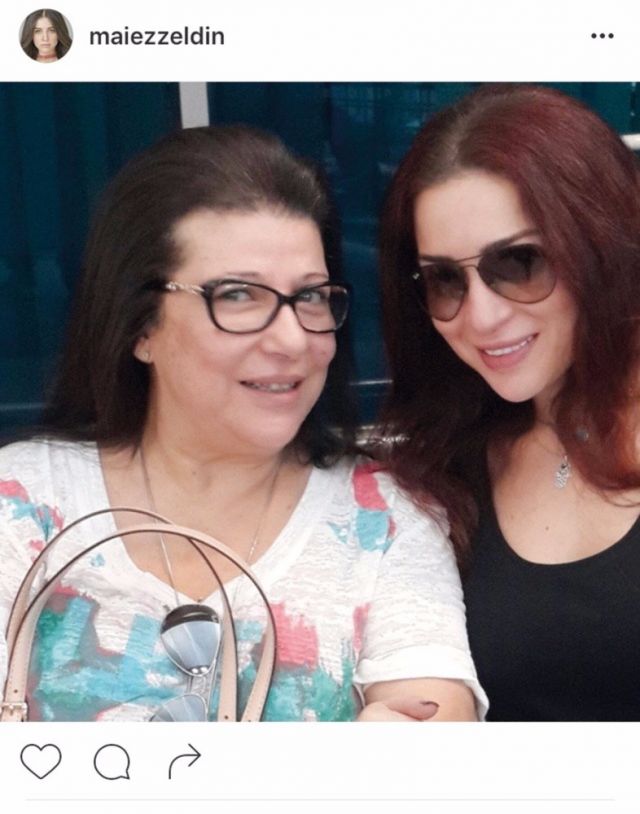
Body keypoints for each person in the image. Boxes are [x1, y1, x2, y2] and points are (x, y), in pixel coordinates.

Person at [0, 125, 485, 722]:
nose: (292, 340)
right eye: (237, 296)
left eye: (311, 297)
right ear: (141, 327)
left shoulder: (384, 522)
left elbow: (435, 728)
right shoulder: (22, 504)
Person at [379, 83, 640, 721]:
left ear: (601, 245)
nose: (482, 316)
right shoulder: (444, 466)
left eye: (520, 263)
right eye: (445, 280)